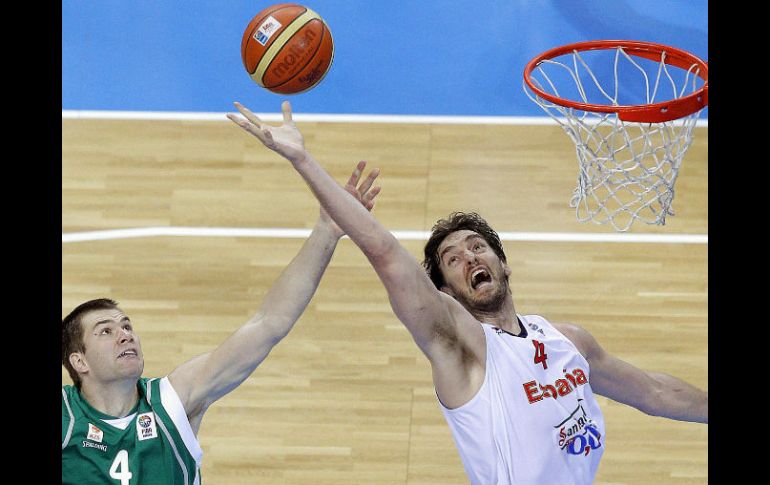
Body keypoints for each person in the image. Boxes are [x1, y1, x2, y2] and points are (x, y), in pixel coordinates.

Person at [227, 101, 709, 485]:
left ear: (503, 263)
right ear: (445, 293)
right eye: (453, 259)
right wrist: (304, 161)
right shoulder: (462, 349)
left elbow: (652, 391)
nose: (470, 257)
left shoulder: (569, 342)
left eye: (478, 247)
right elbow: (385, 253)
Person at [61, 162, 381, 485]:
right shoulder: (66, 416)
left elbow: (270, 323)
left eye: (127, 326)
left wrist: (327, 230)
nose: (125, 336)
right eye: (106, 331)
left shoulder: (173, 401)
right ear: (79, 361)